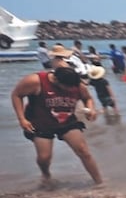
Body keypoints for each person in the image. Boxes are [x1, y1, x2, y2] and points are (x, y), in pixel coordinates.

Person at [10, 44, 104, 186]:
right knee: (44, 157)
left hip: (67, 121)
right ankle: (46, 175)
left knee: (83, 151)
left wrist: (91, 109)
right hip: (40, 122)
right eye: (66, 88)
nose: (70, 90)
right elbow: (16, 95)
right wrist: (21, 119)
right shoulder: (36, 81)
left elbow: (87, 98)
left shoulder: (76, 84)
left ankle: (99, 183)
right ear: (56, 80)